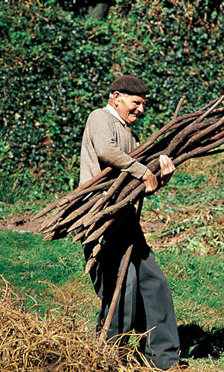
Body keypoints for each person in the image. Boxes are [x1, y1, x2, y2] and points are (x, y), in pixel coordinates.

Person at [79, 74, 181, 370]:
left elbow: (142, 182)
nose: (140, 109)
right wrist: (140, 169)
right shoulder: (100, 118)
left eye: (143, 104)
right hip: (100, 216)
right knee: (122, 287)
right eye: (136, 102)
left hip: (124, 218)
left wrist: (161, 177)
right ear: (116, 97)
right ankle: (109, 357)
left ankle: (163, 359)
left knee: (154, 283)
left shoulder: (131, 134)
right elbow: (106, 152)